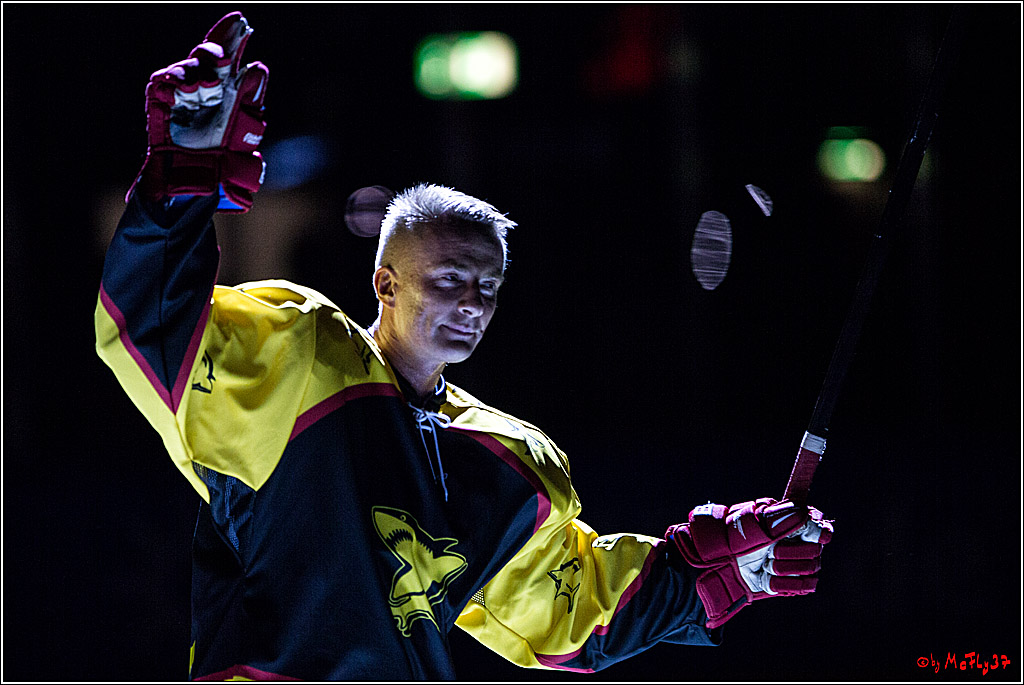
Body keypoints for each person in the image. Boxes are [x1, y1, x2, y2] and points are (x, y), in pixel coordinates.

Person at [95, 12, 833, 681]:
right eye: (450, 277)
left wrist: (723, 569)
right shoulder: (298, 360)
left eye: (488, 286)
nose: (473, 301)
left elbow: (574, 618)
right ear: (384, 282)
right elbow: (152, 326)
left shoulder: (504, 462)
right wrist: (181, 175)